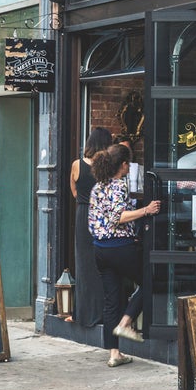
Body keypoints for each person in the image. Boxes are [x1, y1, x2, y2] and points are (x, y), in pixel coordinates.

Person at [88, 143, 160, 367]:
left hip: (100, 248)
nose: (130, 166)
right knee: (149, 281)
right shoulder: (119, 186)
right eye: (128, 162)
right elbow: (118, 217)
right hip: (120, 247)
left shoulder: (98, 187)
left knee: (112, 301)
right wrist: (146, 210)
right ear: (123, 164)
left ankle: (114, 354)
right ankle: (127, 322)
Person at [69, 126, 113, 327]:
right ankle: (101, 313)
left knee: (83, 264)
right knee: (100, 264)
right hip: (100, 215)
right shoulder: (106, 166)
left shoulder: (77, 165)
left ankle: (82, 314)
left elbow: (75, 191)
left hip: (82, 214)